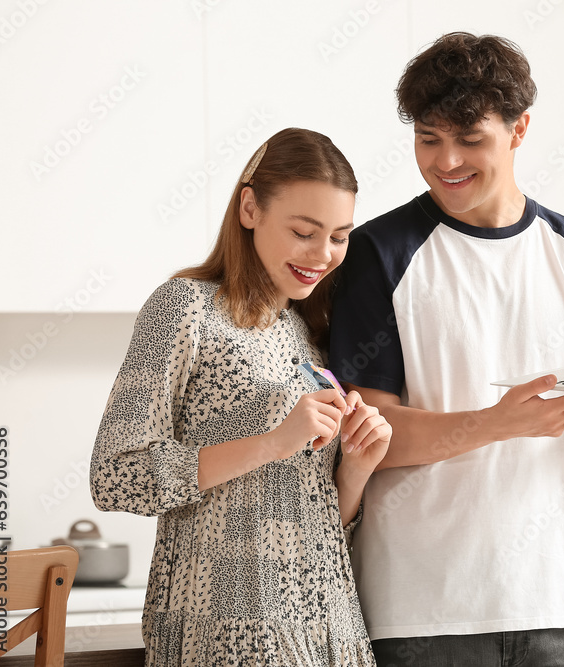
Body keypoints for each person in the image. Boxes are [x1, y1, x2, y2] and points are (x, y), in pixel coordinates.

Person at [330, 33, 564, 666]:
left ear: (519, 130)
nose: (445, 159)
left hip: (555, 602)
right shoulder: (380, 253)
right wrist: (497, 423)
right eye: (428, 138)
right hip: (426, 609)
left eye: (469, 139)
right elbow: (370, 438)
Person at [91, 128, 391, 666]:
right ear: (249, 207)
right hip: (226, 629)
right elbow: (115, 477)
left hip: (328, 627)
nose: (323, 254)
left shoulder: (306, 332)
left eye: (340, 236)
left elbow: (309, 517)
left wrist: (355, 471)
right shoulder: (183, 310)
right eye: (304, 231)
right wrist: (273, 442)